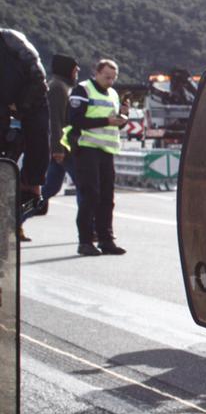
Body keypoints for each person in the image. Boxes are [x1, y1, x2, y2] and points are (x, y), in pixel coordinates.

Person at [67, 58, 126, 256]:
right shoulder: (83, 90)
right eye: (107, 77)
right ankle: (85, 241)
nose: (110, 81)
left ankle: (106, 239)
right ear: (97, 73)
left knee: (107, 198)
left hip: (107, 151)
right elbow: (75, 119)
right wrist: (107, 120)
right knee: (90, 195)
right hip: (87, 148)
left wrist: (122, 119)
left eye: (113, 78)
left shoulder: (113, 94)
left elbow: (114, 122)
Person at [2, 30, 50, 235]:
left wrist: (19, 106)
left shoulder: (13, 42)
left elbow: (38, 78)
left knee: (33, 171)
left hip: (26, 107)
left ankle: (17, 219)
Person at [39, 54, 80, 222]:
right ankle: (91, 229)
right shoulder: (57, 87)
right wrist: (57, 148)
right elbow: (55, 119)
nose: (77, 72)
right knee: (84, 185)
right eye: (74, 69)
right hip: (63, 147)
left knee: (50, 188)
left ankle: (15, 218)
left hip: (62, 146)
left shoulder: (62, 85)